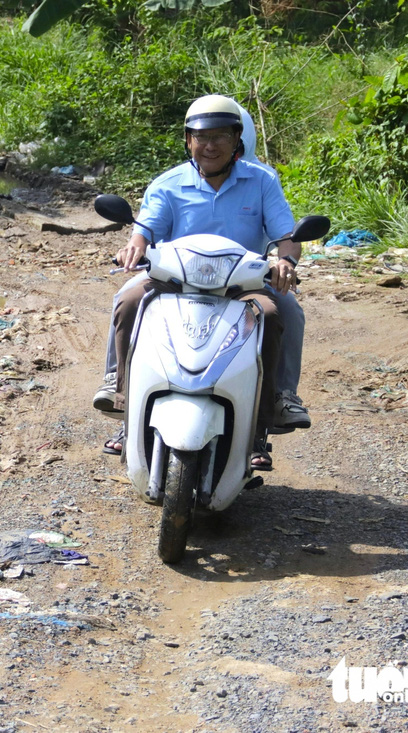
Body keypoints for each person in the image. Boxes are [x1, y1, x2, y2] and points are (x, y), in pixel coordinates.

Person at [95, 94, 303, 470]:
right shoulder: (169, 183)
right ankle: (122, 394)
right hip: (176, 279)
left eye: (221, 136)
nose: (210, 145)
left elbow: (287, 236)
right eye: (201, 136)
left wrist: (284, 260)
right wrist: (134, 249)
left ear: (237, 139)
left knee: (280, 311)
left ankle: (270, 411)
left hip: (242, 283)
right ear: (187, 139)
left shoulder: (262, 181)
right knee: (127, 299)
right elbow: (143, 232)